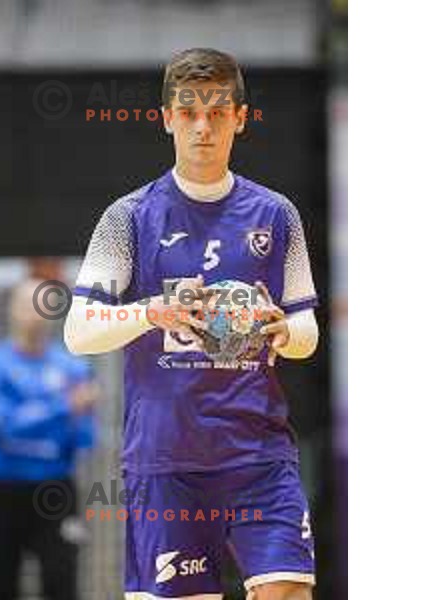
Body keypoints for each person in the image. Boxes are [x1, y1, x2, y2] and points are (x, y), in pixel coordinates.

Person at [64, 48, 319, 600]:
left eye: (218, 112)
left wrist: (282, 330)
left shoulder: (277, 216)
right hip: (167, 459)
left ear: (240, 119)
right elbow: (79, 330)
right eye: (189, 112)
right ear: (167, 118)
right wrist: (151, 311)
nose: (202, 127)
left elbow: (306, 334)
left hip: (257, 454)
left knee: (288, 590)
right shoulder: (128, 217)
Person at [0, 279, 99, 600]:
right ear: (11, 310)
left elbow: (85, 438)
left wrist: (70, 418)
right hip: (4, 489)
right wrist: (63, 408)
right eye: (26, 305)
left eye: (42, 305)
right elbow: (4, 425)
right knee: (1, 582)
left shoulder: (73, 367)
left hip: (55, 489)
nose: (34, 314)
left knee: (61, 580)